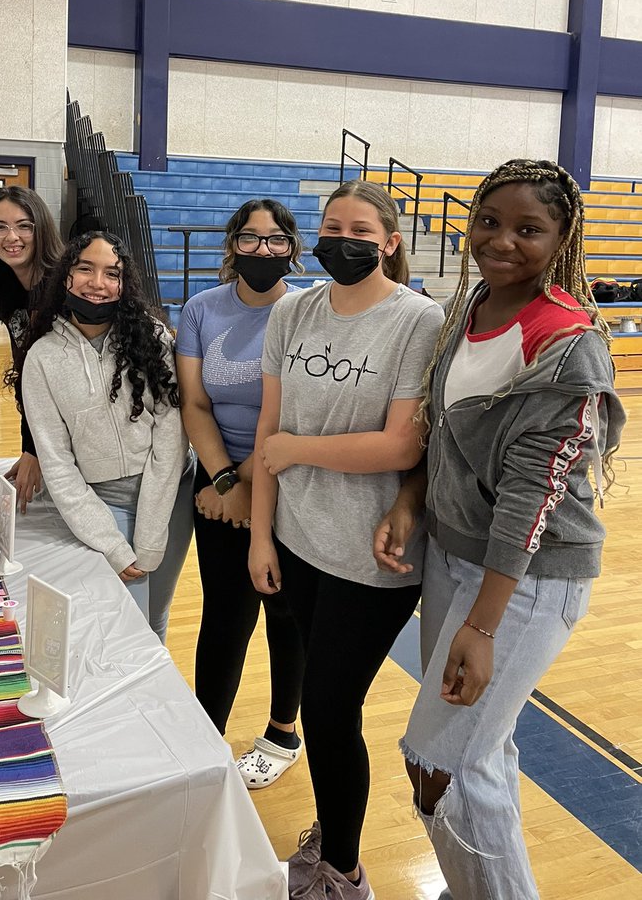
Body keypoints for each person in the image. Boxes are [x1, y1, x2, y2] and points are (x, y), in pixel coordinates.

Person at [374, 159, 625, 900]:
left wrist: (482, 626)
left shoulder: (567, 342)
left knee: (439, 766)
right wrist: (411, 501)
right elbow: (443, 430)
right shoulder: (472, 306)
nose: (502, 240)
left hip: (527, 577)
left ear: (561, 240)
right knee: (479, 754)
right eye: (489, 221)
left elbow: (530, 496)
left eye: (528, 229)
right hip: (452, 558)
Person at [248, 180, 444, 900]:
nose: (344, 239)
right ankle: (331, 841)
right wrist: (260, 537)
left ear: (389, 242)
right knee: (322, 700)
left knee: (330, 709)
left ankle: (344, 874)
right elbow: (268, 429)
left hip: (371, 557)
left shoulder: (418, 319)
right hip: (297, 540)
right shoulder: (293, 311)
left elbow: (401, 445)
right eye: (332, 227)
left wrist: (298, 450)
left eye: (361, 230)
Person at [176, 199, 307, 788]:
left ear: (292, 248)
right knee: (224, 616)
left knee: (285, 612)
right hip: (217, 482)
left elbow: (298, 415)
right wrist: (225, 481)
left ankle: (282, 734)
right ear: (232, 245)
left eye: (276, 239)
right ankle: (206, 739)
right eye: (250, 238)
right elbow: (194, 403)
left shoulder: (305, 311)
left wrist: (249, 482)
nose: (263, 250)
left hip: (287, 480)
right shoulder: (201, 309)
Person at [16, 231, 190, 641]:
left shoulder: (152, 337)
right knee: (125, 626)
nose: (98, 283)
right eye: (86, 269)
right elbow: (57, 463)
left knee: (155, 615)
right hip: (104, 502)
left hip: (170, 494)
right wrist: (110, 542)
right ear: (66, 276)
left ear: (123, 283)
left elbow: (171, 433)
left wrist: (150, 535)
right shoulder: (41, 357)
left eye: (112, 273)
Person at [0, 185, 63, 512]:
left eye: (24, 225)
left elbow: (59, 385)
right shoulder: (10, 289)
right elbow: (29, 379)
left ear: (41, 229)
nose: (12, 237)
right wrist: (31, 449)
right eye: (0, 227)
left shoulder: (63, 286)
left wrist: (36, 451)